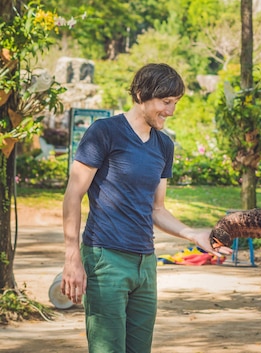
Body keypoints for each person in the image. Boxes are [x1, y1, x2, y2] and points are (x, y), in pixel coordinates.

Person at [61, 63, 231, 352]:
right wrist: (72, 258)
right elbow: (73, 194)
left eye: (175, 103)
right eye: (166, 102)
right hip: (106, 258)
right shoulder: (105, 132)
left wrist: (195, 235)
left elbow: (157, 210)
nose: (171, 111)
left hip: (145, 264)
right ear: (141, 94)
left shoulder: (164, 146)